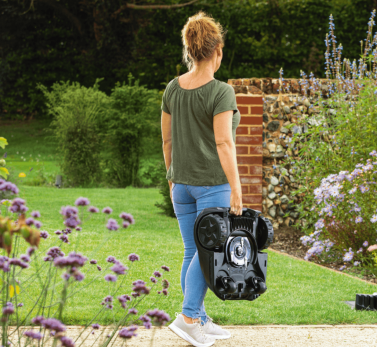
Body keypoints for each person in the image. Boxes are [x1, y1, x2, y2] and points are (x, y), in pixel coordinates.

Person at [161, 11, 242, 347]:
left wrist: (171, 178)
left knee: (192, 251)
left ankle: (200, 319)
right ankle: (189, 316)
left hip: (181, 184)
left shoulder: (172, 88)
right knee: (211, 251)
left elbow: (166, 141)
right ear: (217, 50)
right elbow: (224, 142)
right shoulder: (221, 92)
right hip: (212, 184)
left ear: (190, 50)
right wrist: (236, 187)